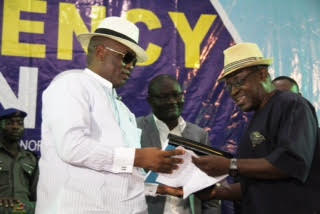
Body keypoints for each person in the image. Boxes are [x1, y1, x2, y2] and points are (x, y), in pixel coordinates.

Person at [35, 16, 184, 214]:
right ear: (101, 52)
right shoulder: (71, 84)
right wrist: (138, 157)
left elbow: (120, 173)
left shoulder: (123, 110)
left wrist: (157, 188)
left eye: (135, 61)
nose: (131, 66)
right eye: (127, 58)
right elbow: (72, 147)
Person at [192, 43, 320, 214]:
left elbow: (290, 162)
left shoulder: (291, 104)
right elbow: (256, 185)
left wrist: (230, 165)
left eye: (239, 81)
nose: (234, 91)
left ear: (262, 74)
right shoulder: (258, 117)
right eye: (229, 86)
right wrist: (216, 192)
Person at [137, 74, 221, 214]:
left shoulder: (199, 135)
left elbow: (210, 189)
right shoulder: (136, 129)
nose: (172, 101)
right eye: (164, 97)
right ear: (150, 100)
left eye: (177, 95)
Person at [0, 108, 38, 214]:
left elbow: (38, 197)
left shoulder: (31, 158)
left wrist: (28, 207)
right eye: (9, 123)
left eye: (20, 123)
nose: (16, 127)